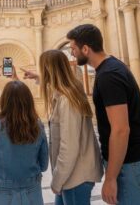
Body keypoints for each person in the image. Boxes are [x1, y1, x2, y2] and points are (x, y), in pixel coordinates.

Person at [67, 24, 140, 205]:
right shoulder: (110, 66)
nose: (72, 53)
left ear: (86, 48)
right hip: (128, 161)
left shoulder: (109, 76)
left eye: (73, 49)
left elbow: (121, 129)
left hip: (129, 163)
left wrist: (111, 178)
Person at [23, 50, 103, 205]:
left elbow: (69, 146)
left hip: (75, 177)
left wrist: (57, 180)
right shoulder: (72, 89)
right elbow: (57, 84)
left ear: (48, 70)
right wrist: (38, 78)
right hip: (72, 176)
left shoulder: (66, 101)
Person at [0, 75, 49, 205]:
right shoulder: (38, 126)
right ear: (29, 100)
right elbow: (44, 165)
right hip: (32, 194)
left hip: (0, 195)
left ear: (4, 100)